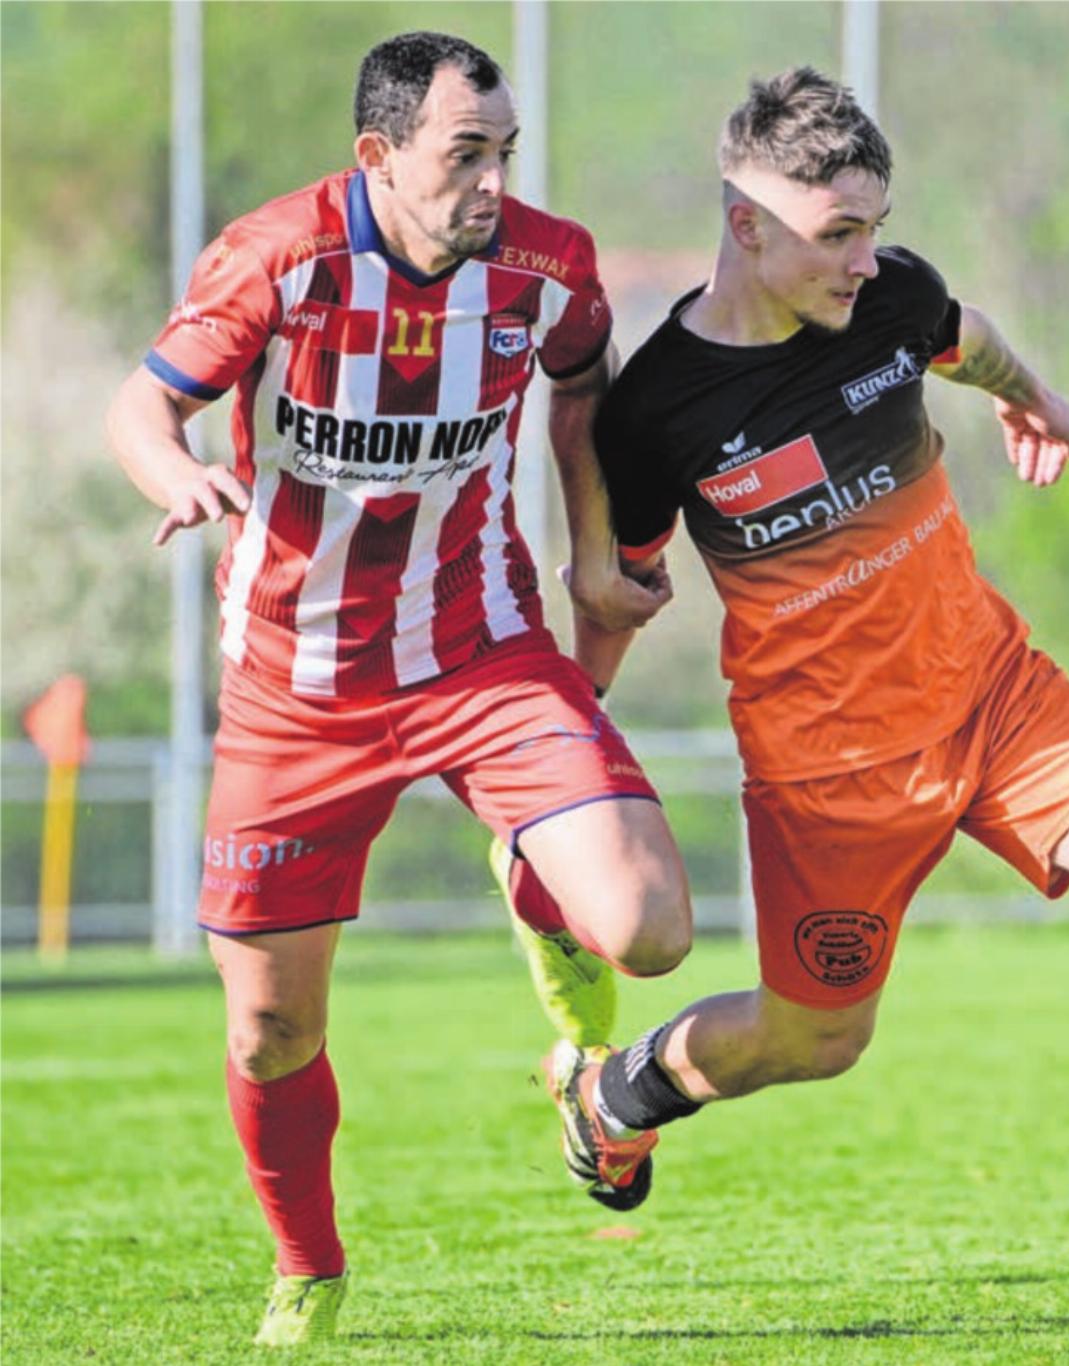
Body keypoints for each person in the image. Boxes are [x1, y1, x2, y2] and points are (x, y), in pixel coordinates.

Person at [505, 66, 1069, 1281]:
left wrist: (1038, 397)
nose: (864, 261)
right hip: (830, 776)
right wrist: (562, 752)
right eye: (836, 234)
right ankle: (616, 1097)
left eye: (876, 230)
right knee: (816, 1036)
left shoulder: (890, 299)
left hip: (996, 699)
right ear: (746, 224)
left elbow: (963, 338)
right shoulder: (658, 413)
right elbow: (621, 592)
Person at [105, 31, 693, 1347]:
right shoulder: (278, 257)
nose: (491, 184)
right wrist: (177, 475)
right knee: (266, 1028)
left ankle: (572, 1031)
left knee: (650, 924)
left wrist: (594, 552)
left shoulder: (550, 262)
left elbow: (581, 389)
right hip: (295, 688)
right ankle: (309, 1267)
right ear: (377, 156)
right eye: (462, 156)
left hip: (481, 649)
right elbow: (141, 411)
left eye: (504, 154)